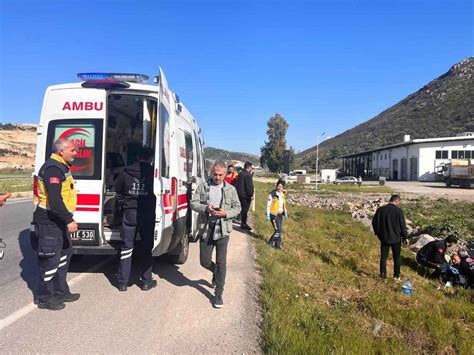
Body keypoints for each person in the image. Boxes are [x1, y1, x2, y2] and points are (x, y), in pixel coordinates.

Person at [32, 139, 80, 310]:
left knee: (64, 254)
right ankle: (45, 297)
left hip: (57, 221)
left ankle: (60, 291)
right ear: (61, 151)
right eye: (73, 150)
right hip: (48, 221)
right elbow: (55, 199)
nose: (76, 153)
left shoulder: (62, 167)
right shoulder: (53, 168)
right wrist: (69, 219)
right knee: (50, 260)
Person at [191, 160, 241, 308]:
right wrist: (206, 209)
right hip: (206, 228)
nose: (217, 177)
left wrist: (225, 213)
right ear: (211, 173)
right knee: (204, 261)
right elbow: (193, 203)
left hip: (223, 229)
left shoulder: (231, 189)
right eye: (215, 174)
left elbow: (237, 208)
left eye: (220, 175)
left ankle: (218, 294)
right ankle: (216, 273)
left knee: (221, 262)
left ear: (225, 174)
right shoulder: (204, 186)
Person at [114, 147, 157, 292]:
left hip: (130, 212)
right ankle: (146, 281)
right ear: (151, 158)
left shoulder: (126, 172)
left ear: (138, 156)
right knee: (146, 247)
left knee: (127, 246)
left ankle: (122, 282)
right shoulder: (153, 173)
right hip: (147, 213)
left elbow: (117, 189)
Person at [372, 194, 408, 280]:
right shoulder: (398, 211)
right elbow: (402, 225)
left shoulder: (380, 210)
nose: (399, 204)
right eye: (399, 202)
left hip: (384, 238)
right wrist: (405, 237)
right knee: (397, 257)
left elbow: (374, 223)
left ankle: (383, 276)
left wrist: (378, 233)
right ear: (397, 201)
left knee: (383, 257)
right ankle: (396, 276)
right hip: (396, 238)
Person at [266, 180, 288, 249]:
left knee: (279, 230)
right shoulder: (272, 194)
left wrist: (286, 213)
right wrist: (268, 215)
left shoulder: (283, 194)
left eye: (281, 186)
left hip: (280, 214)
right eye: (278, 186)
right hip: (274, 215)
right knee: (278, 230)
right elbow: (268, 205)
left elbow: (284, 205)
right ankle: (270, 242)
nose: (280, 188)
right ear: (276, 186)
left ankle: (277, 245)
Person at [235, 161, 254, 231]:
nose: (252, 169)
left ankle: (242, 222)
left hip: (239, 194)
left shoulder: (241, 173)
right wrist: (251, 195)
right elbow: (249, 186)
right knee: (245, 210)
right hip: (245, 196)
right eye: (251, 168)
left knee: (242, 209)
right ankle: (243, 224)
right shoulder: (247, 175)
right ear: (249, 167)